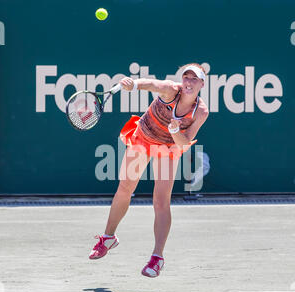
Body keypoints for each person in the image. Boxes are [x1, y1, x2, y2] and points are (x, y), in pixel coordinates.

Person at [89, 63, 209, 278]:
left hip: (168, 148)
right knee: (125, 188)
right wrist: (132, 84)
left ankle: (157, 258)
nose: (189, 82)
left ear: (202, 83)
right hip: (142, 138)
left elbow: (184, 143)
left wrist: (174, 131)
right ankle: (108, 238)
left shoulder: (200, 112)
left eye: (194, 79)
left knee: (161, 200)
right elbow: (151, 84)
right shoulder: (171, 90)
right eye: (186, 77)